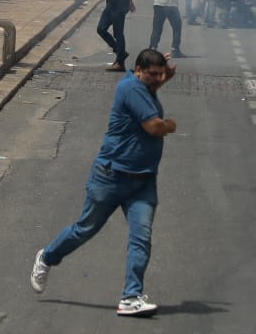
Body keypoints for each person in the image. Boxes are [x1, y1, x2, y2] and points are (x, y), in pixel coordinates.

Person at [30, 49, 178, 317]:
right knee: (85, 229)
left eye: (161, 74)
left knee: (141, 237)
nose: (158, 79)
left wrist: (163, 79)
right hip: (111, 176)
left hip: (143, 180)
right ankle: (47, 257)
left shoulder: (143, 88)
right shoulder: (131, 88)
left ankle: (131, 296)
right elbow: (154, 127)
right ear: (138, 70)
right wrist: (170, 125)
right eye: (153, 75)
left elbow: (151, 92)